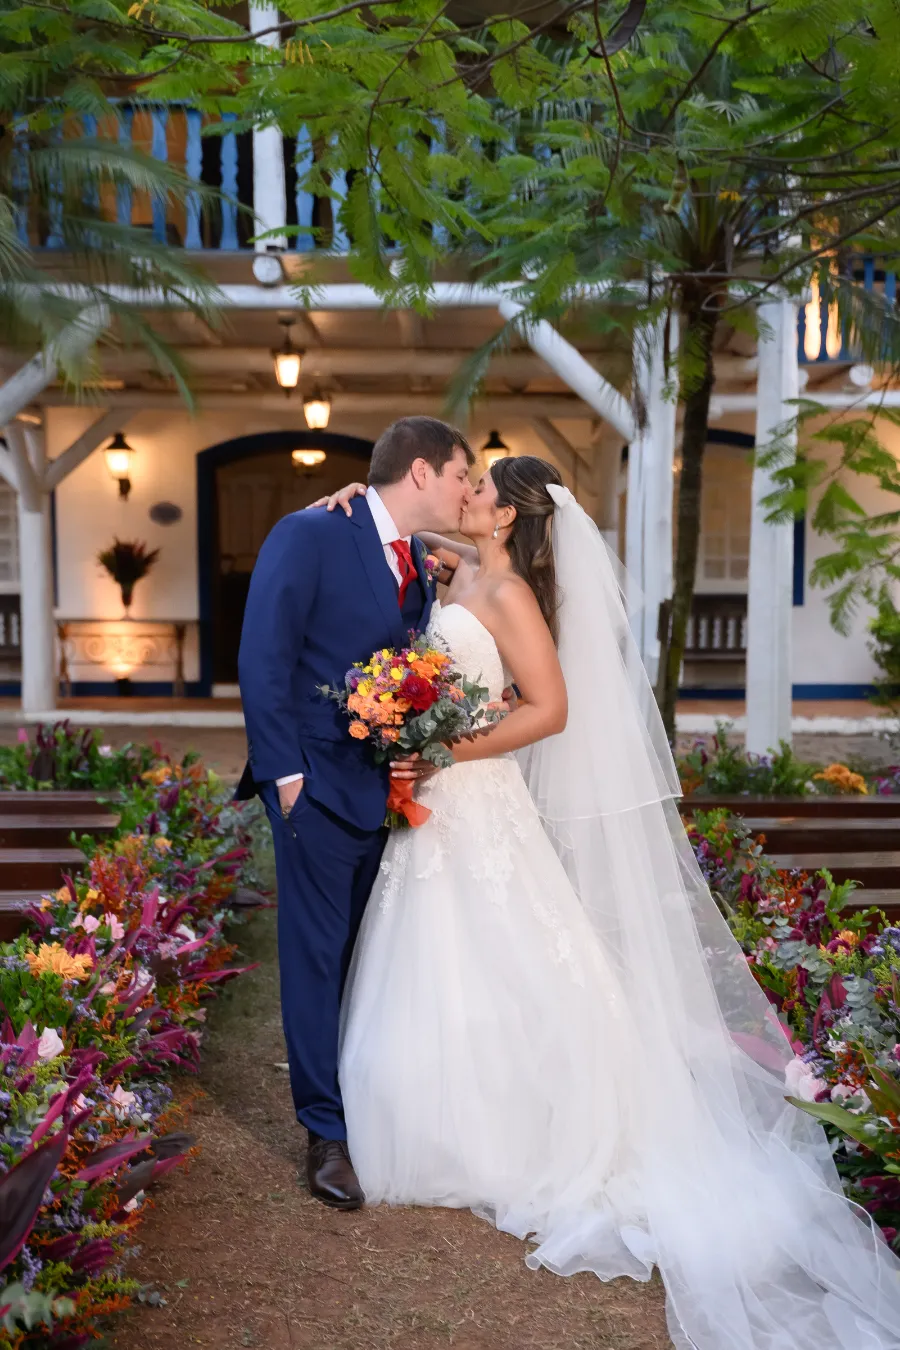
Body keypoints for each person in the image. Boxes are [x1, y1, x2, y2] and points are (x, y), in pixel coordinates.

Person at [316, 457, 900, 1350]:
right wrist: (357, 502)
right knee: (441, 956)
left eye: (478, 492)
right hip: (439, 808)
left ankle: (528, 1130)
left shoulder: (509, 593)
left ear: (508, 519)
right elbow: (413, 530)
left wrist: (451, 752)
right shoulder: (462, 564)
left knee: (512, 957)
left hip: (477, 796)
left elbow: (550, 709)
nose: (463, 495)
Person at [235, 416, 474, 1210]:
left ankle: (362, 1102)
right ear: (419, 474)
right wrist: (287, 778)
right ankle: (324, 1134)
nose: (466, 492)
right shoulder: (307, 535)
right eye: (459, 476)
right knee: (313, 960)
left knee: (362, 961)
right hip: (315, 789)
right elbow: (262, 657)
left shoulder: (418, 561)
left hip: (385, 791)